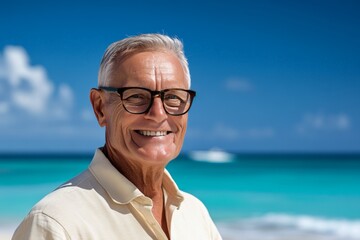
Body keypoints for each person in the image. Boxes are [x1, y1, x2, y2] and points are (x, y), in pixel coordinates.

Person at [12, 34, 222, 240]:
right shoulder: (56, 223)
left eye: (173, 97)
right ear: (100, 108)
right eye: (136, 96)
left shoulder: (195, 214)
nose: (158, 114)